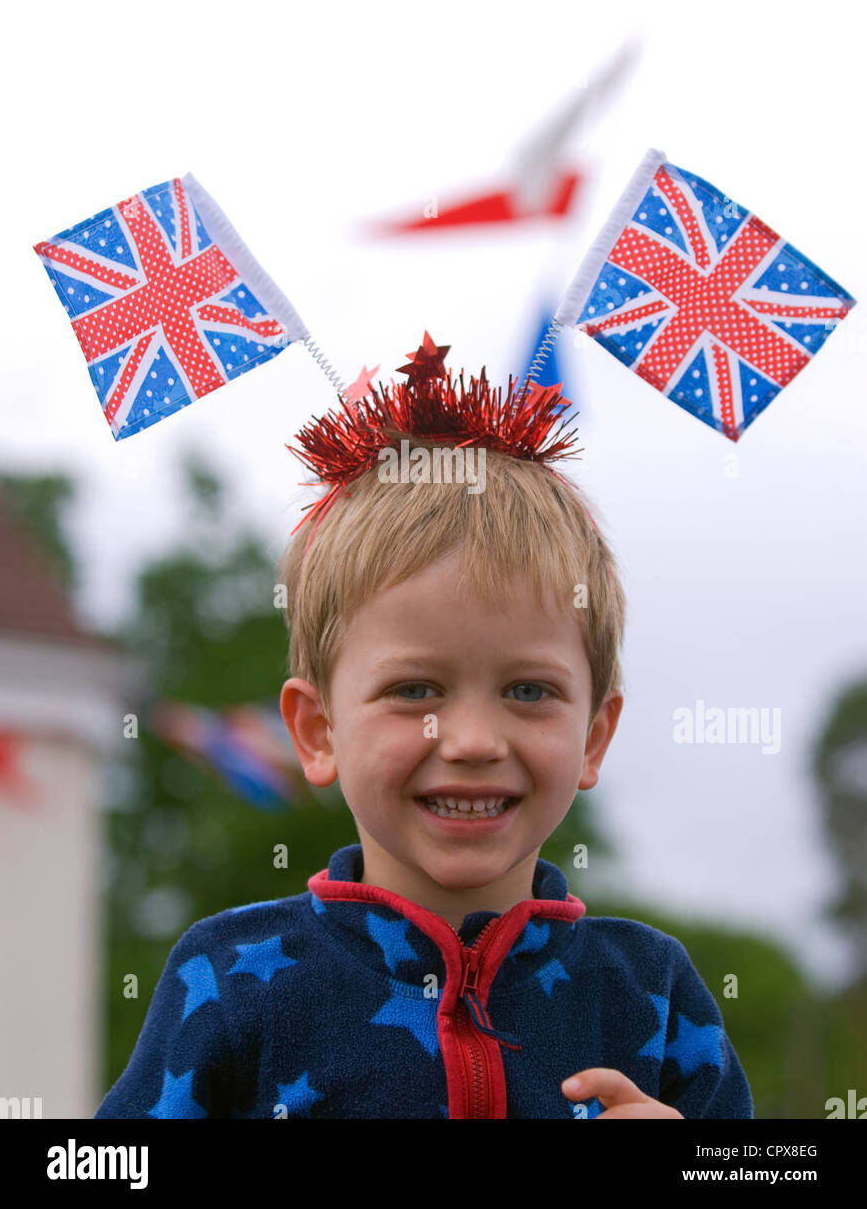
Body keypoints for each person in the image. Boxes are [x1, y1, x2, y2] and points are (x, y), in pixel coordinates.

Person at [94, 341, 753, 1119]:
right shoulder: (230, 979)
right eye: (414, 690)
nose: (473, 740)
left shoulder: (651, 991)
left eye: (529, 690)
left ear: (595, 736)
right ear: (318, 731)